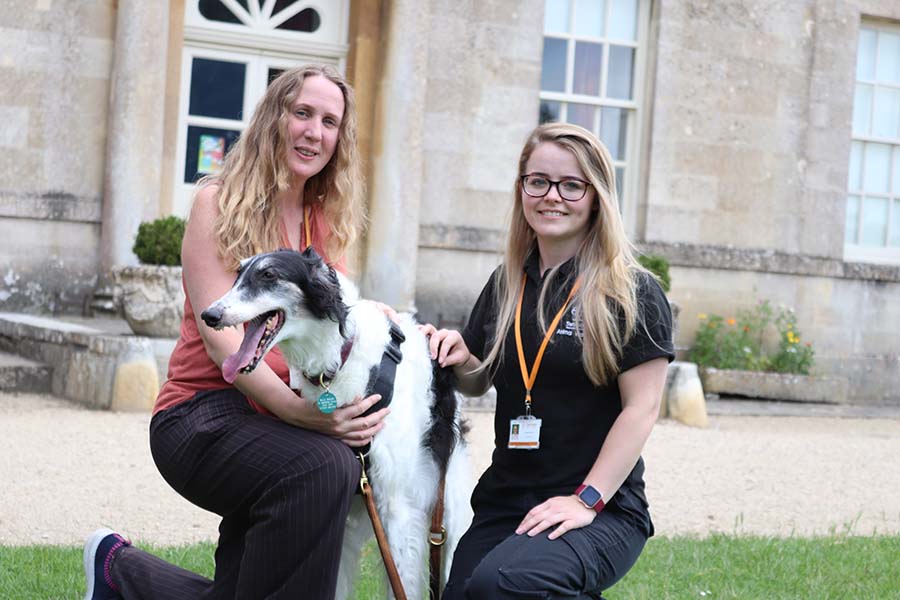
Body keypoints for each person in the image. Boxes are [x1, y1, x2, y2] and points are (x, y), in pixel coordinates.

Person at [83, 65, 391, 600]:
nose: (314, 132)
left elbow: (341, 321)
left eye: (330, 121)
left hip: (273, 422)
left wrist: (408, 333)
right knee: (324, 468)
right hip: (200, 415)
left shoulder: (324, 222)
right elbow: (223, 343)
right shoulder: (216, 203)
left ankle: (117, 571)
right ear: (274, 118)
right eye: (302, 113)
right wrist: (307, 416)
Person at [421, 122, 675, 599]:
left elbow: (641, 409)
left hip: (600, 506)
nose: (551, 196)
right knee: (464, 593)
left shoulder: (631, 292)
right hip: (508, 498)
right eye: (537, 181)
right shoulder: (507, 282)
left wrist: (587, 500)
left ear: (596, 196)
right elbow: (478, 380)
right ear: (522, 187)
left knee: (503, 586)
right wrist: (458, 357)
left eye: (571, 185)